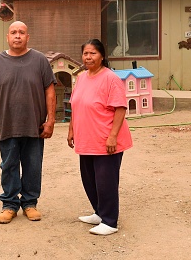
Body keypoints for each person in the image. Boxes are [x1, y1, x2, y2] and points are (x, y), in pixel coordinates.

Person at [0, 21, 57, 224]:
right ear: (7, 37)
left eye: (22, 32)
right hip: (8, 124)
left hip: (35, 125)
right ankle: (9, 205)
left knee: (33, 165)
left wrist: (51, 120)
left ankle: (30, 203)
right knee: (9, 165)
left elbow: (50, 91)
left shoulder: (39, 60)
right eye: (13, 32)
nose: (17, 36)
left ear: (28, 37)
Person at [67, 38, 133, 236]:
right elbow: (76, 105)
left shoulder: (110, 78)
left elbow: (120, 108)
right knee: (89, 179)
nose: (88, 57)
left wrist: (113, 136)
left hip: (106, 140)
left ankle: (110, 221)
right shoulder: (81, 77)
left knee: (106, 181)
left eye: (93, 53)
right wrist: (71, 130)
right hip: (86, 138)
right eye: (85, 53)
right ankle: (99, 212)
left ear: (102, 56)